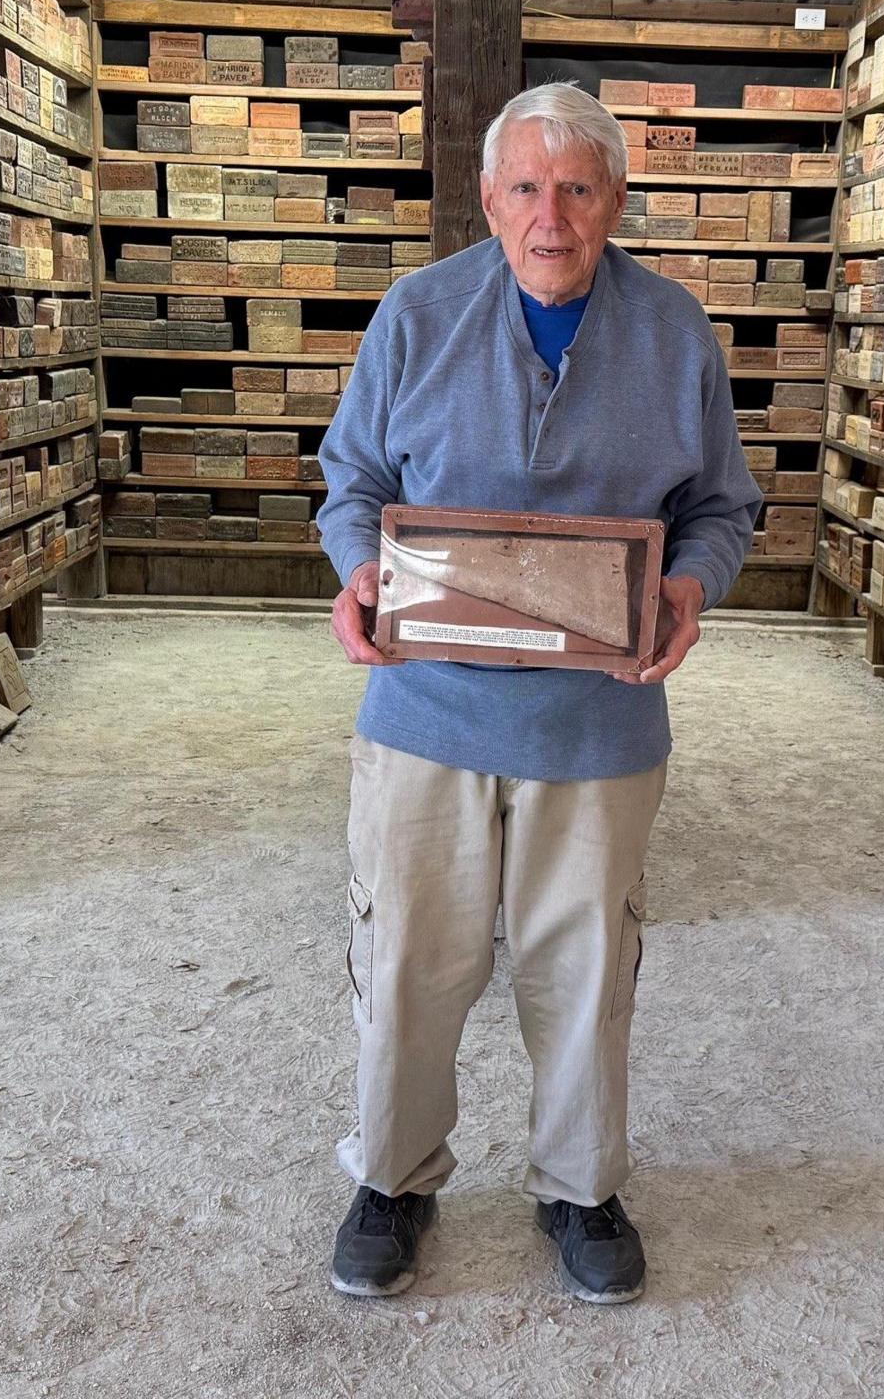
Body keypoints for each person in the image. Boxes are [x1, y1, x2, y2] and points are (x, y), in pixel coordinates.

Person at [313, 81, 763, 1304]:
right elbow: (349, 480)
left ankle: (580, 1185)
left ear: (615, 199)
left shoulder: (674, 334)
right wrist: (359, 572)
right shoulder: (416, 315)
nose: (548, 217)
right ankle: (393, 1176)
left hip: (598, 719)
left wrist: (688, 585)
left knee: (583, 968)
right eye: (524, 188)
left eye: (575, 189)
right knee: (408, 955)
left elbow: (723, 508)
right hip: (426, 709)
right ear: (487, 197)